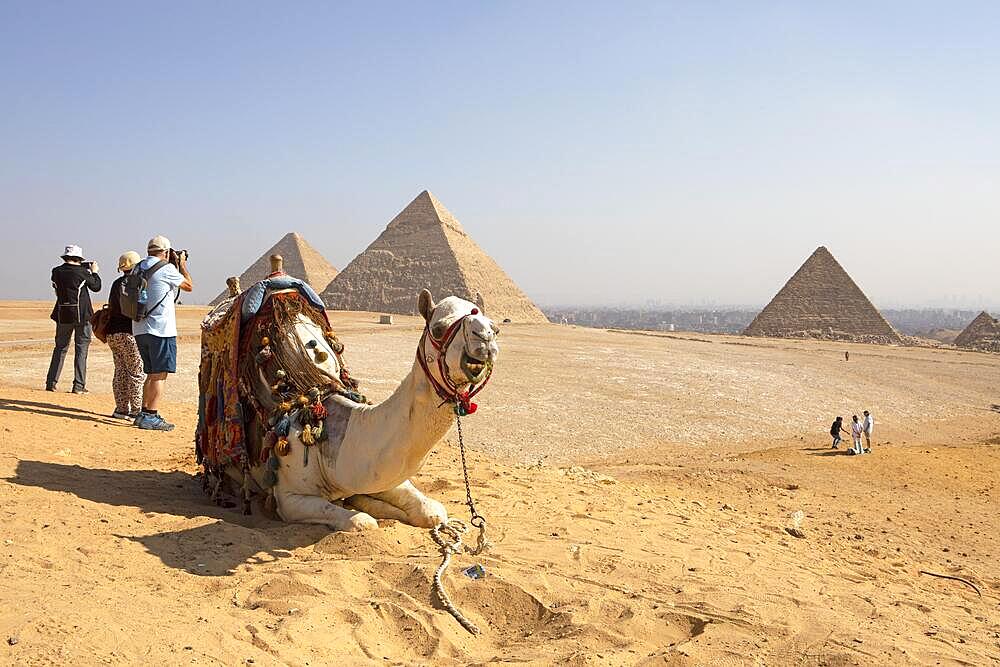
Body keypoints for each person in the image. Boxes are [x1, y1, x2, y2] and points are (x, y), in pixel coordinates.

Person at [132, 236, 193, 431]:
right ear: (166, 252)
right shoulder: (167, 270)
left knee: (150, 373)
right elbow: (189, 286)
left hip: (139, 328)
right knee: (159, 374)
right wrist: (181, 263)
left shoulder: (138, 267)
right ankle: (151, 415)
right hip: (160, 330)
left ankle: (143, 412)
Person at [46, 244, 101, 393]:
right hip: (82, 315)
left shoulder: (56, 271)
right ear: (79, 258)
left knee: (60, 348)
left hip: (62, 314)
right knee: (81, 349)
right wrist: (94, 272)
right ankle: (78, 386)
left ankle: (51, 383)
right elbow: (96, 286)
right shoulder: (82, 272)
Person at [106, 251, 146, 420]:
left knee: (121, 371)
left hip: (112, 333)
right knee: (136, 372)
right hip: (128, 333)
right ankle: (137, 410)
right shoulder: (138, 283)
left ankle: (121, 409)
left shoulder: (116, 283)